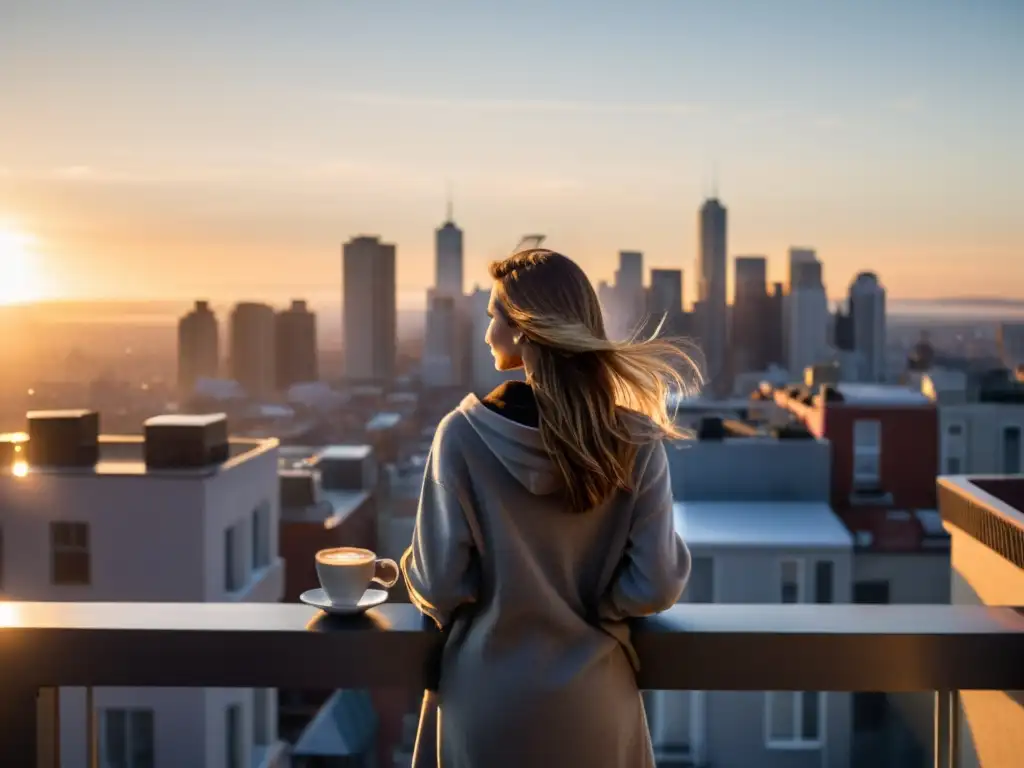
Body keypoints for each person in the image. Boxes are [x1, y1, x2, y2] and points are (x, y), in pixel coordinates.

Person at [401, 248, 699, 767]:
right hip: (594, 703)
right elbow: (656, 584)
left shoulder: (462, 436)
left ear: (522, 329)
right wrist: (599, 612)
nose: (486, 326)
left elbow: (441, 584)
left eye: (494, 313)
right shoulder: (634, 439)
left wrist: (405, 568)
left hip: (486, 701)